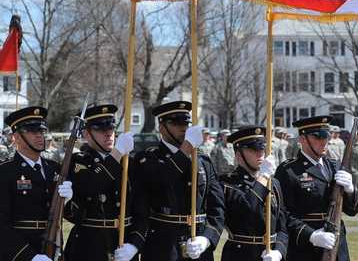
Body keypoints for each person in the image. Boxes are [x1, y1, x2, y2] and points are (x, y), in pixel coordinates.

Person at [134, 101, 225, 261]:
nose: (183, 128)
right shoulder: (147, 158)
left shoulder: (203, 160)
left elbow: (217, 207)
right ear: (161, 128)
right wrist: (186, 148)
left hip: (198, 245)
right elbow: (159, 182)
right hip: (163, 247)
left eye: (186, 123)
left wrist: (207, 238)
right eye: (176, 123)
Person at [62, 104, 145, 261]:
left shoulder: (129, 163)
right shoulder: (78, 162)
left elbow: (142, 210)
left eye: (111, 128)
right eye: (100, 130)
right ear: (87, 134)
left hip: (124, 244)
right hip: (89, 246)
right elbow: (91, 186)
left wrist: (134, 244)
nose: (108, 134)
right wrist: (117, 153)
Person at [274, 116, 358, 261]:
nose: (325, 141)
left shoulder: (334, 166)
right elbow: (283, 215)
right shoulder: (289, 171)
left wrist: (351, 190)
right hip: (304, 248)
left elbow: (351, 210)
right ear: (302, 139)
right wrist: (311, 235)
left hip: (337, 243)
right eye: (318, 137)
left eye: (326, 136)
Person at [0, 106, 74, 261]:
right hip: (19, 253)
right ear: (17, 137)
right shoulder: (5, 172)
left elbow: (76, 216)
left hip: (53, 250)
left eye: (41, 131)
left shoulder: (55, 169)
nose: (40, 136)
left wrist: (68, 201)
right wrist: (29, 257)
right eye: (33, 131)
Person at [219, 125, 287, 261]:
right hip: (241, 255)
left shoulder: (273, 183)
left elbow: (282, 227)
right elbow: (248, 211)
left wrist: (278, 251)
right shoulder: (227, 184)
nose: (260, 153)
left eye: (262, 148)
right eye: (253, 149)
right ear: (239, 155)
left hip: (271, 255)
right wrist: (263, 178)